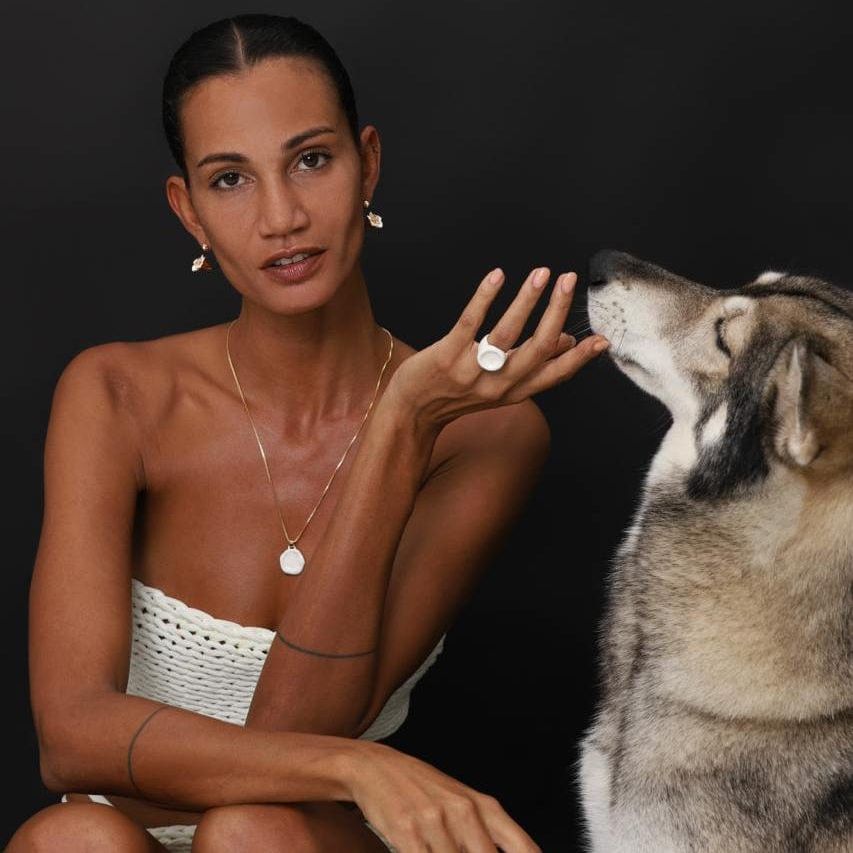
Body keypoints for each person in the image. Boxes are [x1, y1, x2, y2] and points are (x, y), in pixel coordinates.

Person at [7, 13, 609, 852]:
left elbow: (299, 725)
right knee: (72, 837)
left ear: (368, 163)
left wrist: (401, 422)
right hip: (124, 837)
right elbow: (70, 738)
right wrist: (358, 767)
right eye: (230, 179)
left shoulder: (486, 434)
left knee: (249, 831)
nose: (281, 215)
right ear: (189, 211)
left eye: (311, 160)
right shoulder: (116, 394)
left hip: (293, 842)